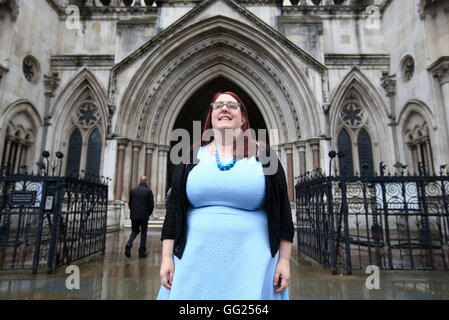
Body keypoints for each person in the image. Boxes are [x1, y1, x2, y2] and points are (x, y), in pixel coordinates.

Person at [157, 91, 294, 300]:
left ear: (243, 118)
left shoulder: (265, 156)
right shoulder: (191, 156)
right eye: (218, 106)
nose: (224, 109)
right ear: (210, 116)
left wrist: (284, 260)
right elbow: (174, 210)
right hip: (194, 263)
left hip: (253, 265)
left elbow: (283, 210)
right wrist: (167, 258)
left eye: (232, 106)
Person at [125, 176, 154, 258]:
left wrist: (133, 211)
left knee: (134, 231)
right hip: (144, 215)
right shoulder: (148, 191)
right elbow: (151, 205)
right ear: (146, 182)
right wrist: (148, 213)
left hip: (134, 215)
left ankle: (129, 243)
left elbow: (130, 203)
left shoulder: (133, 190)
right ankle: (142, 252)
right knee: (143, 233)